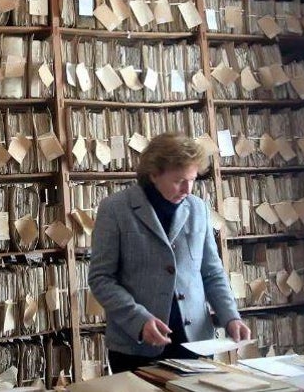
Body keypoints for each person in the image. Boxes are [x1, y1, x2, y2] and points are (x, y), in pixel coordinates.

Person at [88, 132, 251, 373]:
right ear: (154, 174)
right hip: (136, 346)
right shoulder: (115, 209)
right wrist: (139, 321)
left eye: (192, 179)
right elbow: (101, 279)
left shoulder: (198, 208)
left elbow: (212, 272)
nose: (187, 188)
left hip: (195, 343)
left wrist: (231, 317)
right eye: (178, 180)